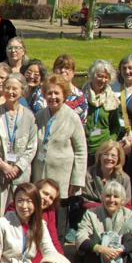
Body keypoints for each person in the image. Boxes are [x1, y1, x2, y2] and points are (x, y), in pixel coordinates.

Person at [31, 74, 87, 236]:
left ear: (64, 95)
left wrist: (77, 179)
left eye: (57, 93)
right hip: (41, 177)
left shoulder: (72, 118)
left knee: (58, 226)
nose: (53, 97)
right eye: (49, 93)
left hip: (62, 179)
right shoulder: (40, 116)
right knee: (40, 223)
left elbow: (81, 150)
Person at [0, 73, 38, 210]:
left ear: (22, 91)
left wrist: (17, 167)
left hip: (20, 176)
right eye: (7, 88)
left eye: (15, 88)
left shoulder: (29, 116)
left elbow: (32, 146)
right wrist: (1, 164)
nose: (10, 92)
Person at [83, 59, 121, 167]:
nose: (103, 80)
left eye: (106, 77)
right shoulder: (81, 97)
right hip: (83, 146)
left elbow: (115, 126)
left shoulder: (112, 99)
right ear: (92, 75)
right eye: (100, 76)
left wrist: (110, 142)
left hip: (103, 150)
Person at [81, 140, 132, 209]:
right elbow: (83, 203)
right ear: (99, 156)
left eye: (113, 155)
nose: (109, 158)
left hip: (117, 216)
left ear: (118, 159)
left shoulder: (124, 178)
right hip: (91, 214)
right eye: (106, 154)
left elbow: (127, 205)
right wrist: (108, 207)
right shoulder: (88, 175)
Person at [52, 54, 88, 123]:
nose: (62, 70)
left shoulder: (80, 96)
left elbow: (82, 124)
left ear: (73, 72)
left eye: (67, 68)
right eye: (59, 67)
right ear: (53, 71)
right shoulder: (44, 92)